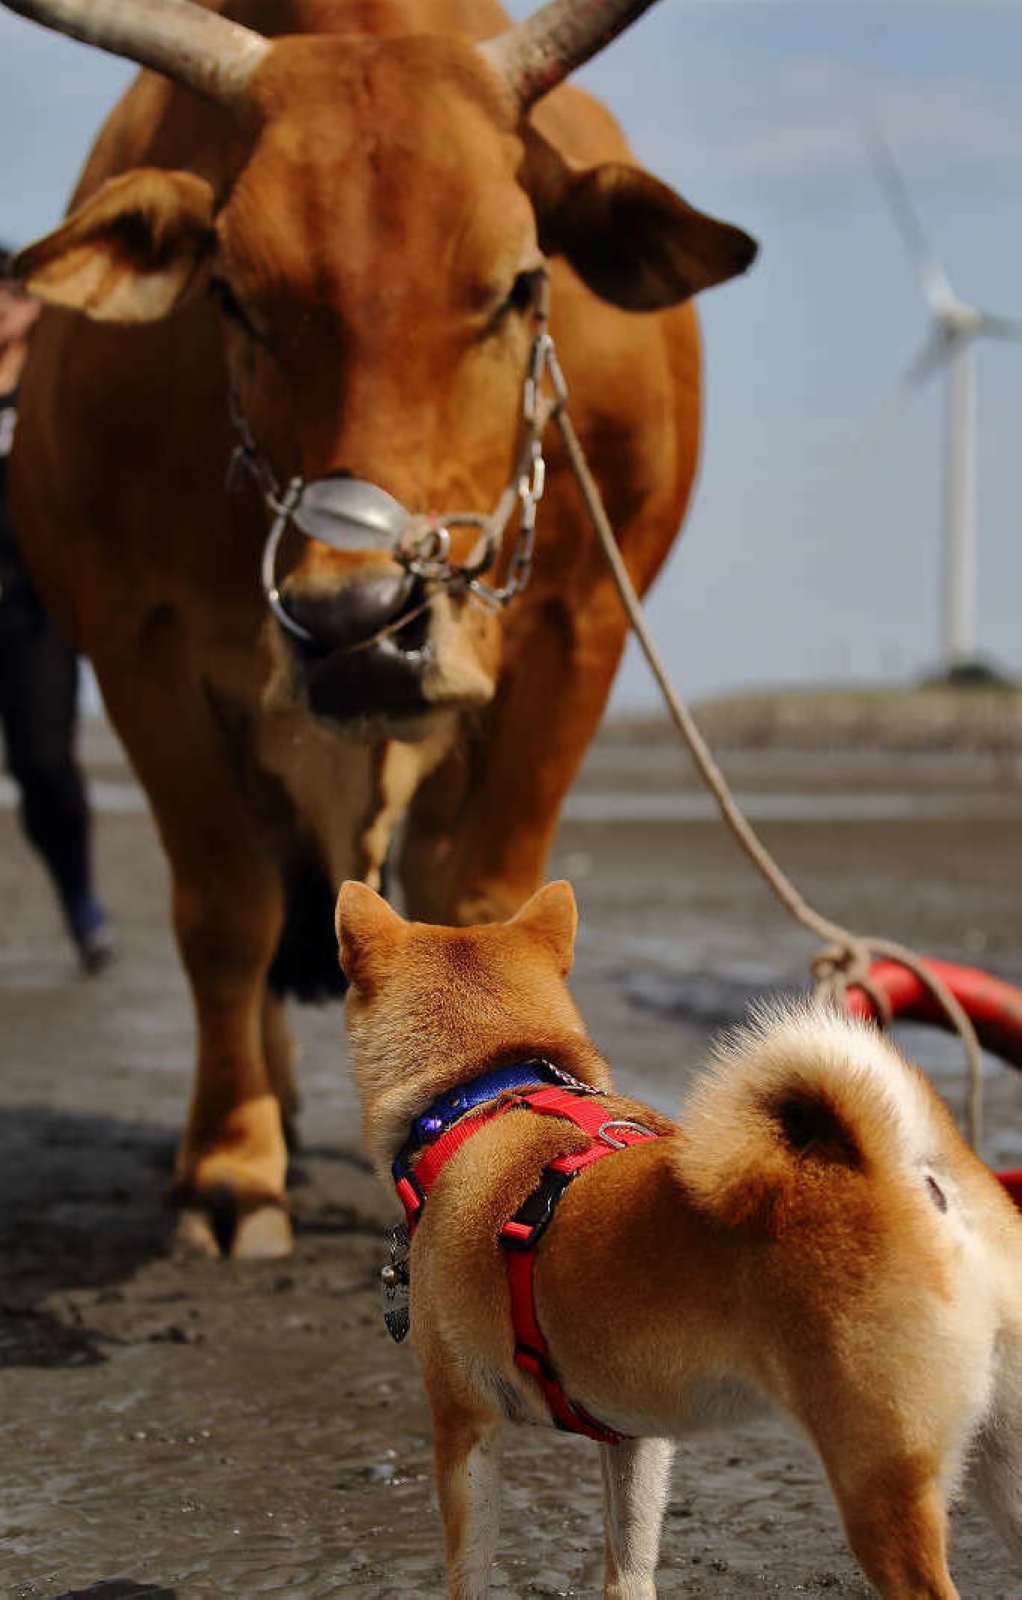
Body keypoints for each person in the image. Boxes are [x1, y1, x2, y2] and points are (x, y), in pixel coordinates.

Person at [0, 247, 113, 973]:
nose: (0, 305)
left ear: (37, 304)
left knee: (43, 769)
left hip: (34, 611)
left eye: (13, 291)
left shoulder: (56, 388)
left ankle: (79, 896)